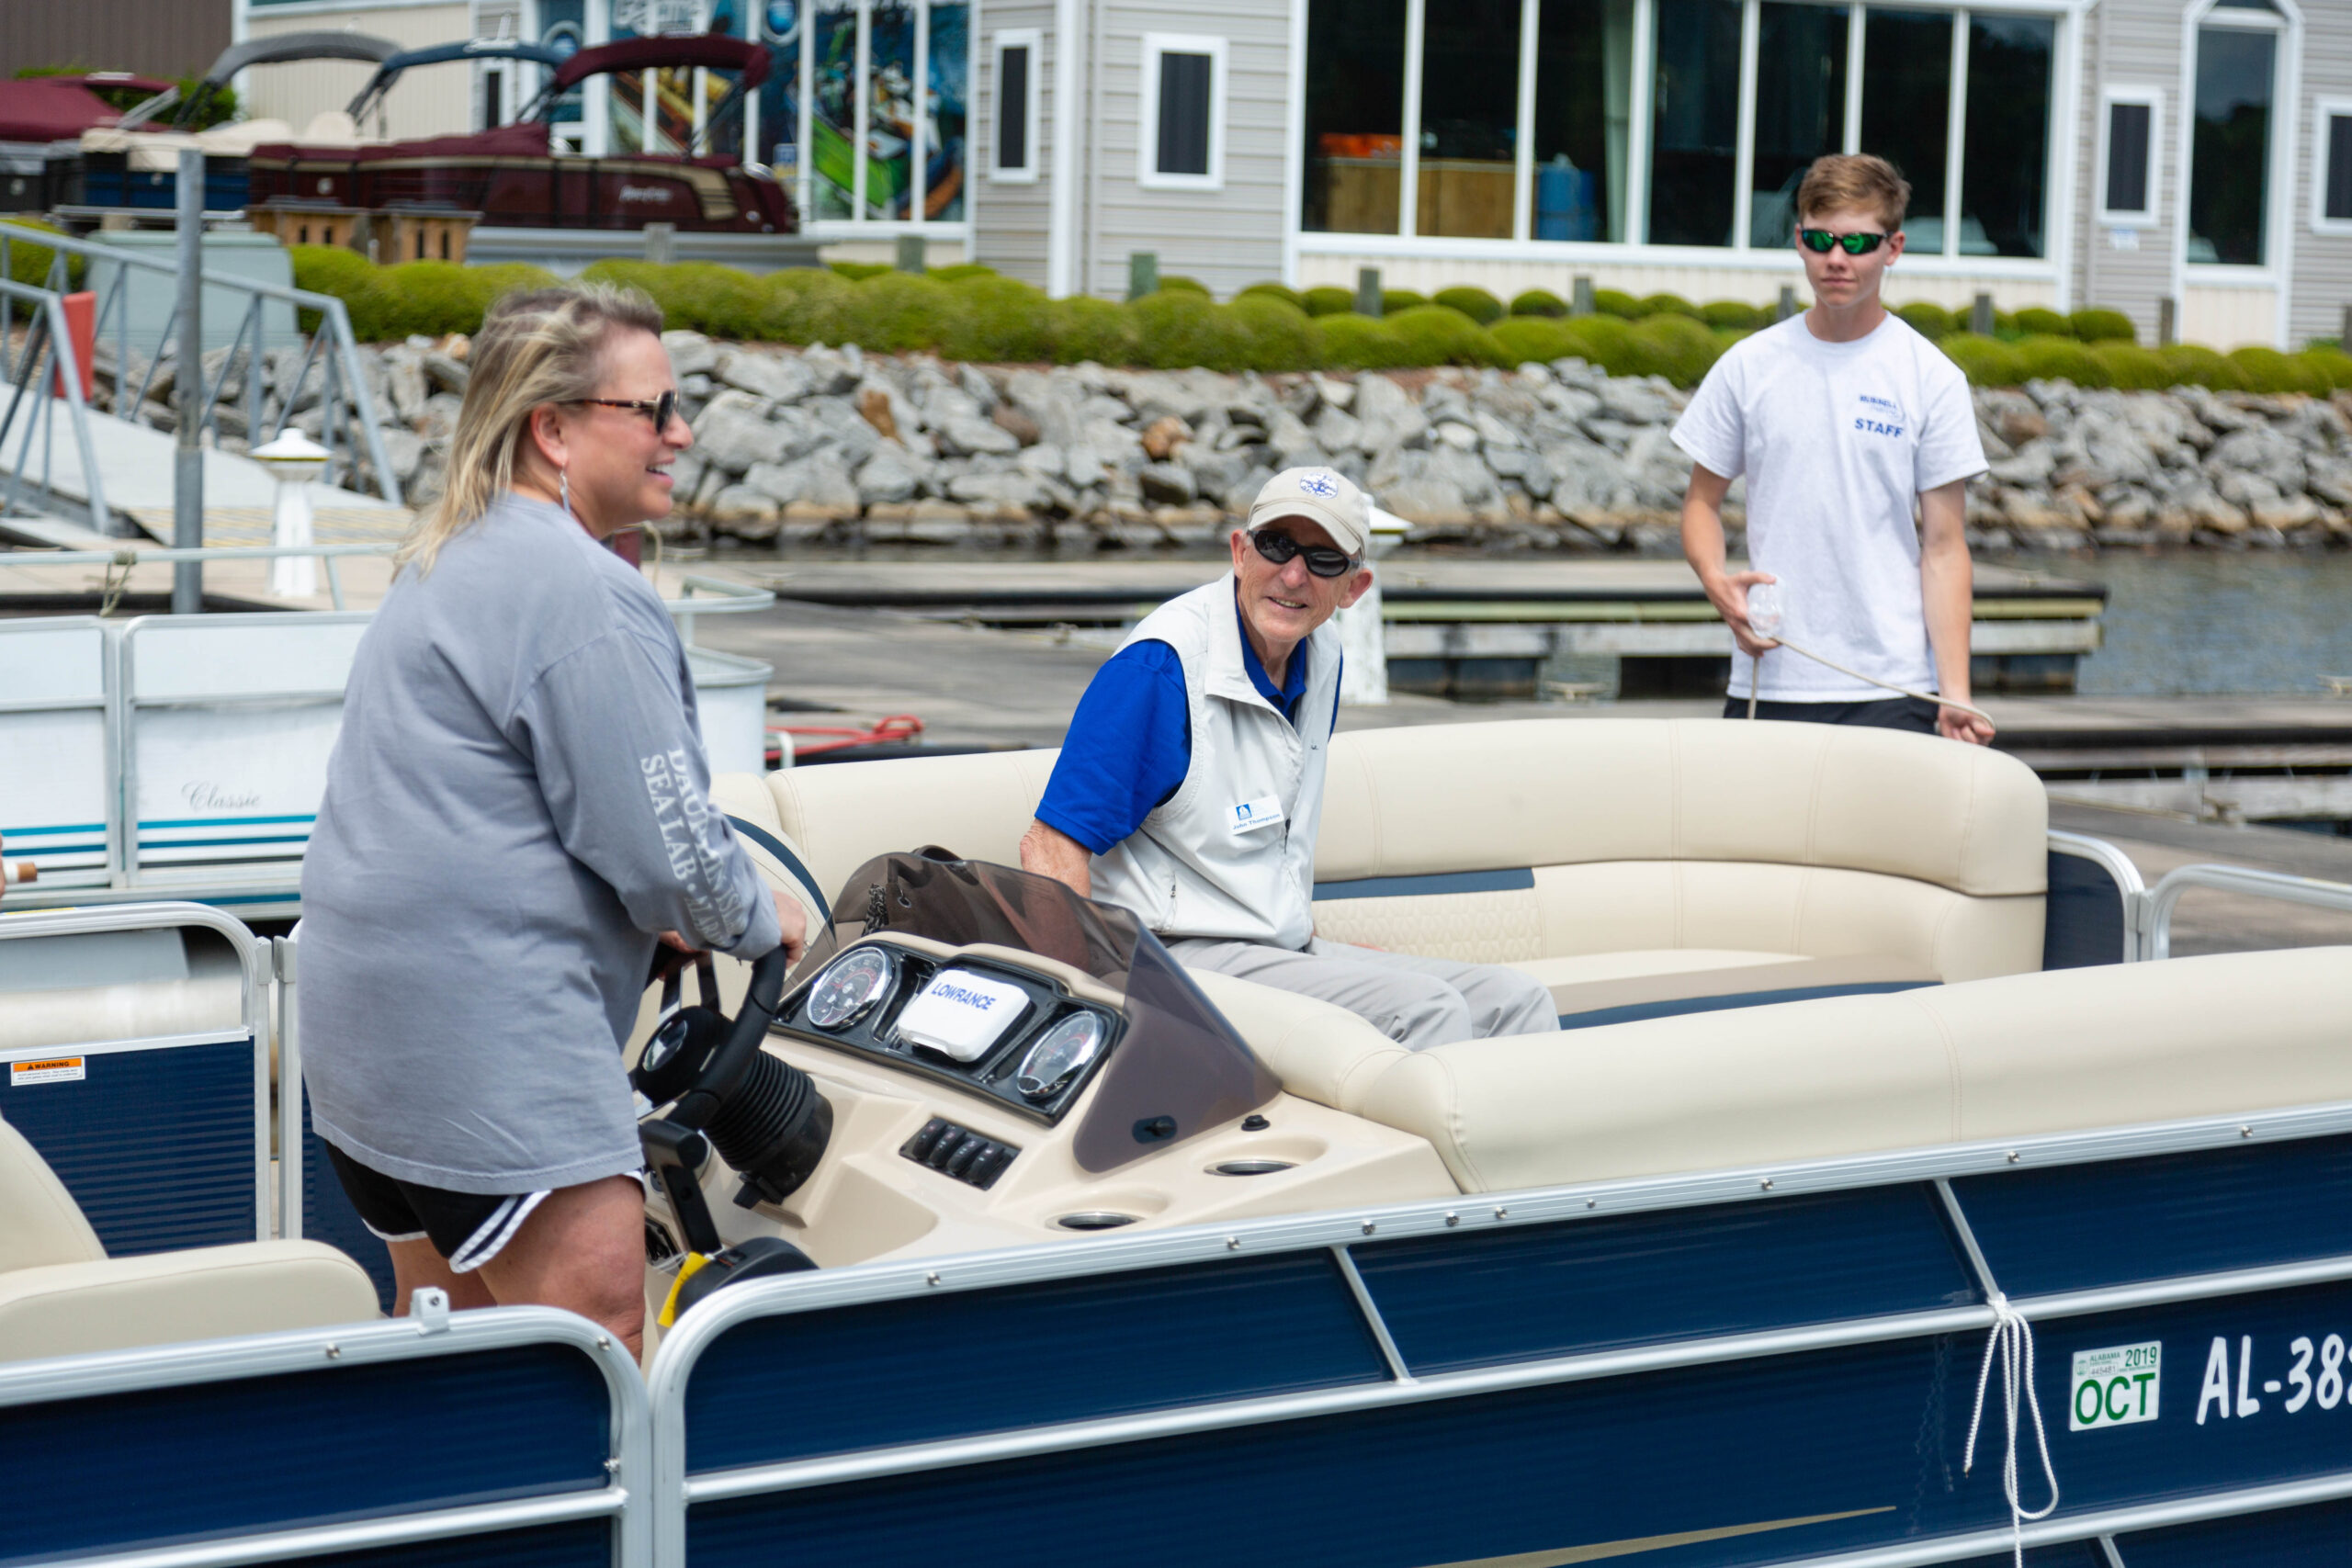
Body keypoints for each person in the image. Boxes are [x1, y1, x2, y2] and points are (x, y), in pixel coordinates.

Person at [299, 285, 805, 1356]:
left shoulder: (449, 556)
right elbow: (666, 852)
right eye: (654, 408)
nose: (683, 432)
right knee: (598, 1342)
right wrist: (760, 921)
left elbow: (499, 801)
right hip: (485, 1052)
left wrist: (660, 908)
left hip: (368, 1050)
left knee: (456, 1345)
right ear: (554, 429)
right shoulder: (582, 591)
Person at [1018, 468, 1558, 1051]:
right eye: (1276, 545)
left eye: (1324, 559)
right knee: (1426, 1011)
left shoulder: (1319, 652)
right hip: (1165, 957)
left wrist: (1320, 954)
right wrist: (1080, 1016)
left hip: (1272, 949)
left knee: (1516, 999)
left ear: (1354, 587)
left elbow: (1272, 835)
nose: (1294, 575)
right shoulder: (1159, 669)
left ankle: (1520, 1143)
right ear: (1239, 552)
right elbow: (1048, 849)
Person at [1674, 153, 1995, 744]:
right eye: (1820, 239)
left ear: (1893, 248)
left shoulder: (1931, 376)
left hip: (1893, 689)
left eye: (1858, 243)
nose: (1837, 259)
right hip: (1768, 681)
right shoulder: (1748, 366)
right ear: (1799, 241)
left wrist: (1955, 693)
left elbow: (1945, 550)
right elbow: (1701, 504)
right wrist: (1716, 580)